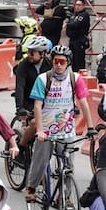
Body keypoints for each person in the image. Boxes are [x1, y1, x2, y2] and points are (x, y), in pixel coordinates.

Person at [25, 45, 96, 201]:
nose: (58, 65)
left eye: (62, 62)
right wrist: (40, 130)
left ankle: (65, 197)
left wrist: (90, 127)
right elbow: (37, 106)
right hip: (47, 129)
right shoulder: (43, 79)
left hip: (67, 129)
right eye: (56, 61)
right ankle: (31, 187)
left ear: (68, 63)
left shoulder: (75, 79)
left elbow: (83, 103)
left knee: (69, 165)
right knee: (41, 159)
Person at [66, 0, 90, 72]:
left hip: (79, 40)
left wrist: (69, 23)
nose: (77, 7)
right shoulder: (75, 15)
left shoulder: (84, 15)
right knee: (72, 60)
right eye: (76, 5)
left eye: (79, 5)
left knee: (79, 61)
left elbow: (76, 24)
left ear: (83, 6)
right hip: (72, 40)